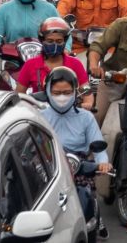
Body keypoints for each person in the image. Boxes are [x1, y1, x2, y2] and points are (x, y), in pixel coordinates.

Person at [38, 66, 109, 237]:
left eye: (67, 92)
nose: (62, 97)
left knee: (87, 198)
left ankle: (93, 215)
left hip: (79, 167)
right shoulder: (38, 116)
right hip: (47, 167)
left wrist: (103, 163)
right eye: (56, 92)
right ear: (47, 91)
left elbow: (98, 145)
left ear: (75, 92)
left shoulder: (86, 117)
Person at [17, 18, 90, 96]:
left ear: (64, 41)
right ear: (42, 40)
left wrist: (86, 104)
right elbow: (19, 94)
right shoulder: (30, 64)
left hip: (69, 107)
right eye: (50, 41)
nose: (54, 44)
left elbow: (87, 93)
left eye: (59, 41)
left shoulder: (75, 63)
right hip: (38, 107)